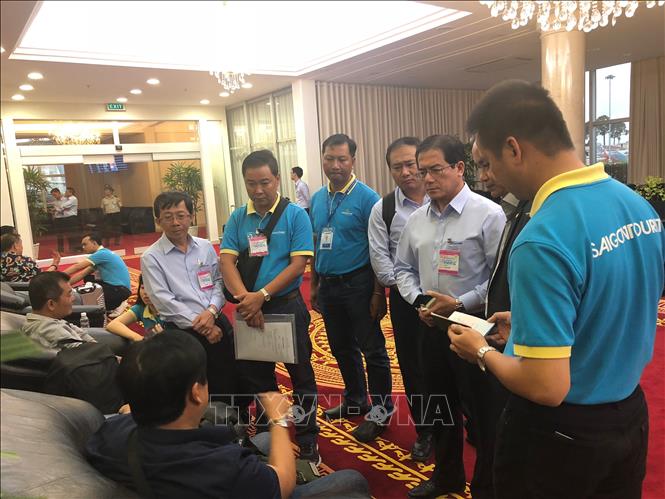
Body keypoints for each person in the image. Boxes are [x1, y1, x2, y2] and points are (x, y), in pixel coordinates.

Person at [449, 80, 665, 499]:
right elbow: (623, 300)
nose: (486, 177)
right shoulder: (637, 205)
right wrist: (531, 322)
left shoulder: (542, 236)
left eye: (486, 163)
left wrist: (481, 352)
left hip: (562, 437)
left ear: (514, 148)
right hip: (630, 417)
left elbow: (546, 386)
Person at [86, 331, 371, 499]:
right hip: (251, 488)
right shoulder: (222, 466)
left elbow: (125, 413)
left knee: (263, 442)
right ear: (197, 393)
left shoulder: (111, 432)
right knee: (350, 480)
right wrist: (278, 420)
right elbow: (282, 483)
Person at [394, 134, 505, 499]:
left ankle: (487, 487)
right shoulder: (416, 220)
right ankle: (447, 477)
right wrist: (420, 300)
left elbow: (499, 277)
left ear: (459, 168)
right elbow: (402, 269)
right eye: (422, 171)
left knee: (483, 415)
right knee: (439, 407)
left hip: (475, 329)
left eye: (435, 170)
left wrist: (459, 303)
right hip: (431, 327)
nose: (426, 179)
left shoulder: (488, 214)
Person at [220, 150, 320, 463]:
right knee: (258, 379)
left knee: (301, 378)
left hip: (286, 306)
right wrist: (245, 300)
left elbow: (298, 264)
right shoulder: (238, 217)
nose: (258, 190)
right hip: (249, 309)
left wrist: (260, 295)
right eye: (251, 184)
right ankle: (267, 435)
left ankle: (307, 439)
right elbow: (227, 262)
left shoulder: (295, 215)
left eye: (265, 182)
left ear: (277, 179)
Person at [310, 133, 393, 443]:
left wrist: (378, 293)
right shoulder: (318, 198)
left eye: (342, 159)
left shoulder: (368, 199)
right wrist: (315, 284)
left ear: (353, 161)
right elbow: (316, 243)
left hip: (359, 284)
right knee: (341, 347)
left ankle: (381, 412)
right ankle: (356, 399)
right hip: (328, 286)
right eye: (329, 158)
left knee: (373, 350)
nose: (335, 165)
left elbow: (379, 249)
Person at [367, 136, 433, 461]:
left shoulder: (442, 199)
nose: (406, 172)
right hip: (407, 302)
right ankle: (426, 430)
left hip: (448, 300)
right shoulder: (384, 208)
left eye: (411, 164)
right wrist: (413, 291)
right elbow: (381, 259)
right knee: (413, 366)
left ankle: (466, 421)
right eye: (398, 167)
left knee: (453, 362)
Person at [141, 191, 240, 402]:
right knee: (193, 388)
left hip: (216, 321)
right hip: (182, 332)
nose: (175, 222)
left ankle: (231, 419)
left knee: (227, 378)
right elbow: (163, 300)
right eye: (168, 217)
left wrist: (211, 311)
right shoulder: (151, 257)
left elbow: (218, 281)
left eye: (181, 215)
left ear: (191, 217)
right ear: (158, 221)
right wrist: (204, 326)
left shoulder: (205, 247)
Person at [21, 271, 96, 351]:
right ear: (51, 304)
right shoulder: (49, 330)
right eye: (69, 294)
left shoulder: (49, 321)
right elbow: (85, 353)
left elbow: (84, 337)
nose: (73, 298)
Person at [64, 232, 131, 312]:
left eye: (85, 244)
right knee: (88, 278)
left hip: (119, 290)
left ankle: (118, 304)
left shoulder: (101, 254)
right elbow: (82, 274)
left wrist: (57, 276)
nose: (83, 247)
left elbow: (77, 267)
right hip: (120, 288)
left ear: (94, 243)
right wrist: (65, 286)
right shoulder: (103, 254)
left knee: (85, 298)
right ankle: (115, 303)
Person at [106, 274, 163, 342]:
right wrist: (137, 337)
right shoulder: (141, 308)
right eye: (142, 288)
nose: (145, 293)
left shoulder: (170, 312)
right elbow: (113, 325)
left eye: (150, 288)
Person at [50, 187, 79, 254]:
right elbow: (58, 210)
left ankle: (73, 249)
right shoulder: (55, 202)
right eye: (53, 195)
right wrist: (54, 213)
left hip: (65, 218)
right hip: (58, 219)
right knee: (59, 236)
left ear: (58, 193)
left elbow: (63, 208)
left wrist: (56, 209)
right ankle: (60, 250)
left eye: (55, 194)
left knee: (69, 234)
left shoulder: (66, 199)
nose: (54, 196)